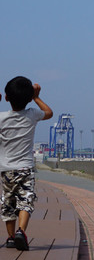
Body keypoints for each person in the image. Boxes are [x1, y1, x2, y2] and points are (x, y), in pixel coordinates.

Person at [0, 77, 53, 250]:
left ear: (6, 98)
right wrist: (36, 97)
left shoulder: (1, 118)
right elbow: (49, 112)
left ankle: (10, 238)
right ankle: (21, 232)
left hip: (6, 170)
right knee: (25, 201)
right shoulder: (32, 114)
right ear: (29, 98)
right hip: (25, 168)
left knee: (8, 203)